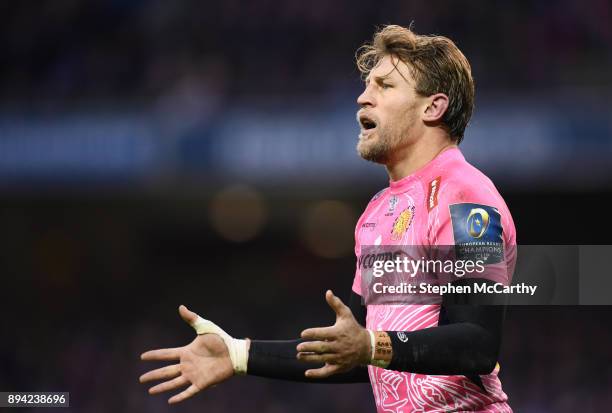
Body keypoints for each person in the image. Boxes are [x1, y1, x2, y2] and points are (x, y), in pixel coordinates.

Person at [140, 24, 516, 412]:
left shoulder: (468, 199)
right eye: (368, 85)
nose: (362, 98)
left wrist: (370, 345)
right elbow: (349, 351)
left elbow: (477, 343)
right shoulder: (377, 212)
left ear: (432, 107)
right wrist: (239, 355)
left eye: (385, 86)